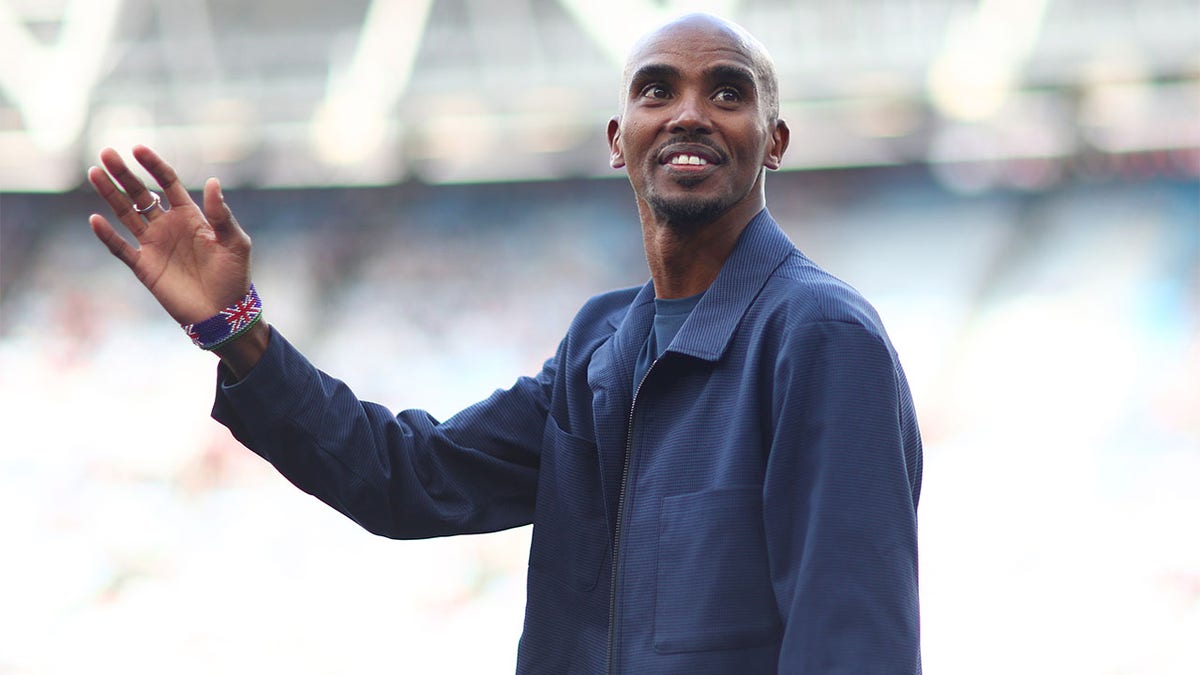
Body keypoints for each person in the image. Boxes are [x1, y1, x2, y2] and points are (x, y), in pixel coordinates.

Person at [88, 12, 922, 674]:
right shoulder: (602, 346)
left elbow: (853, 645)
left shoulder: (818, 337)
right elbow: (411, 479)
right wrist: (236, 331)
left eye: (729, 93)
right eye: (657, 91)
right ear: (617, 136)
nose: (689, 114)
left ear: (775, 139)